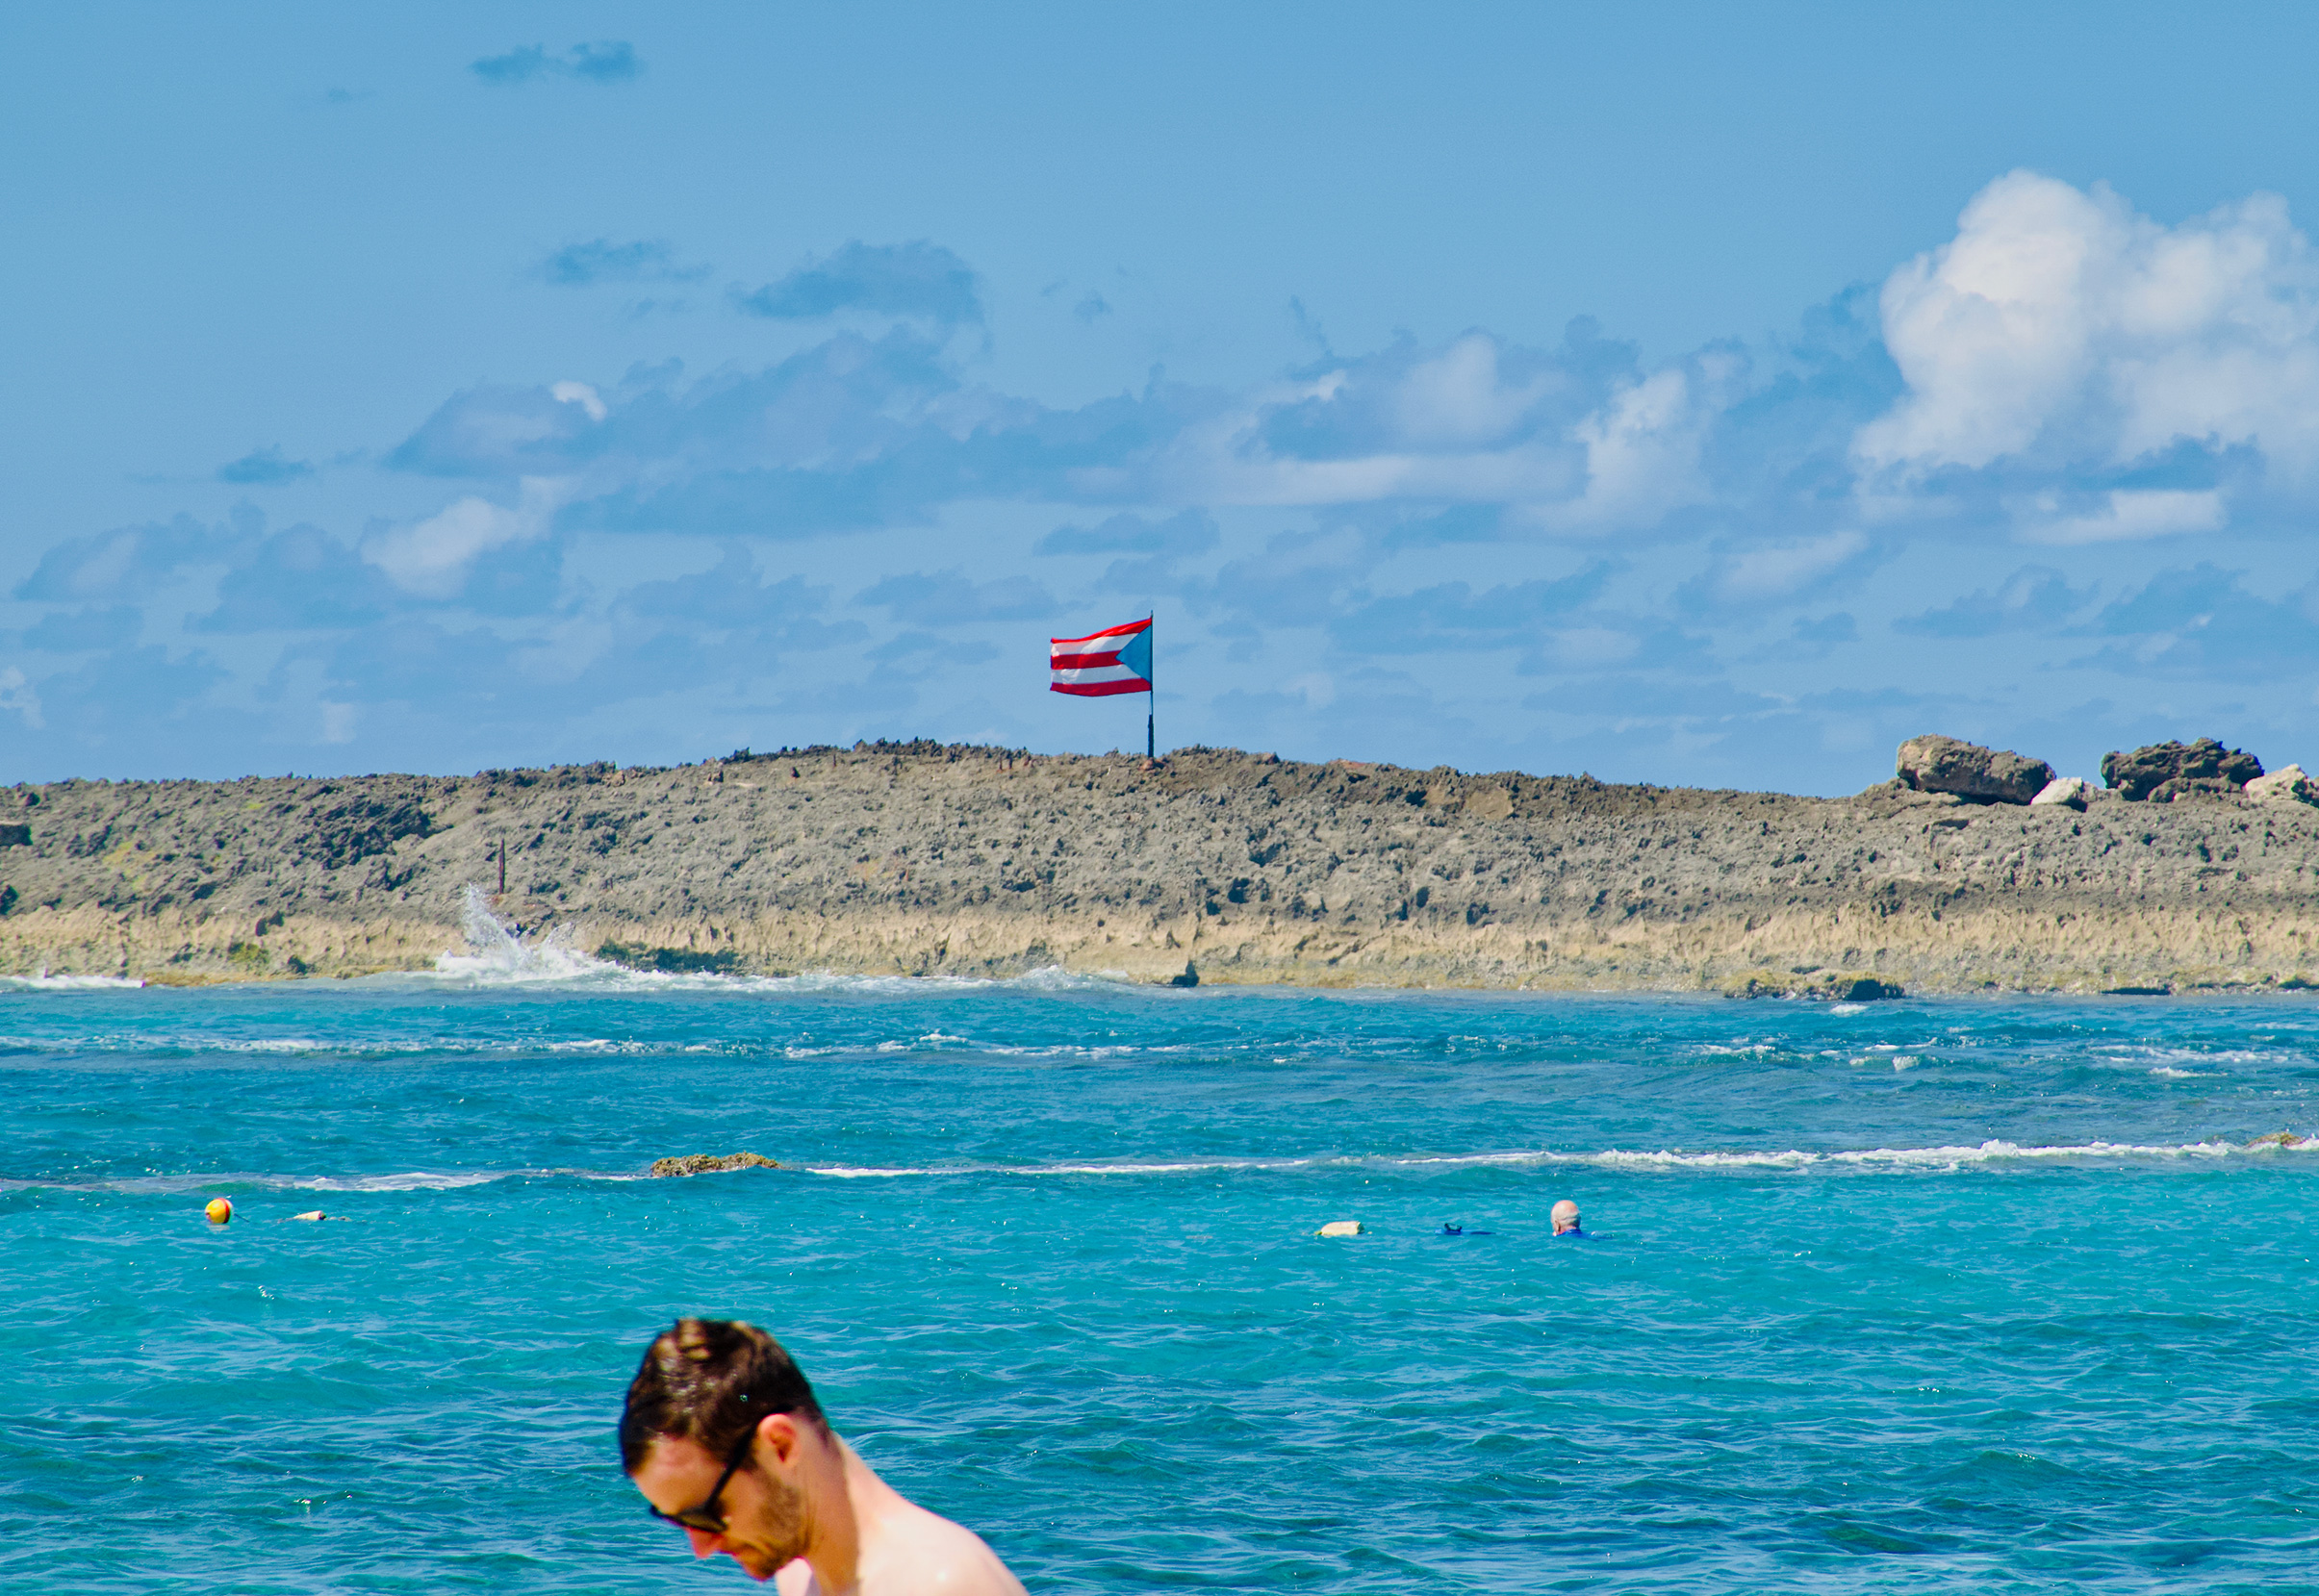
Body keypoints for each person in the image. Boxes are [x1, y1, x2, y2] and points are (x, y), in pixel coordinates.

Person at [620, 1317, 1027, 1593]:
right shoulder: (798, 1575)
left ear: (780, 1446)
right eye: (675, 1521)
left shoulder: (944, 1584)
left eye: (705, 1514)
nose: (700, 1547)